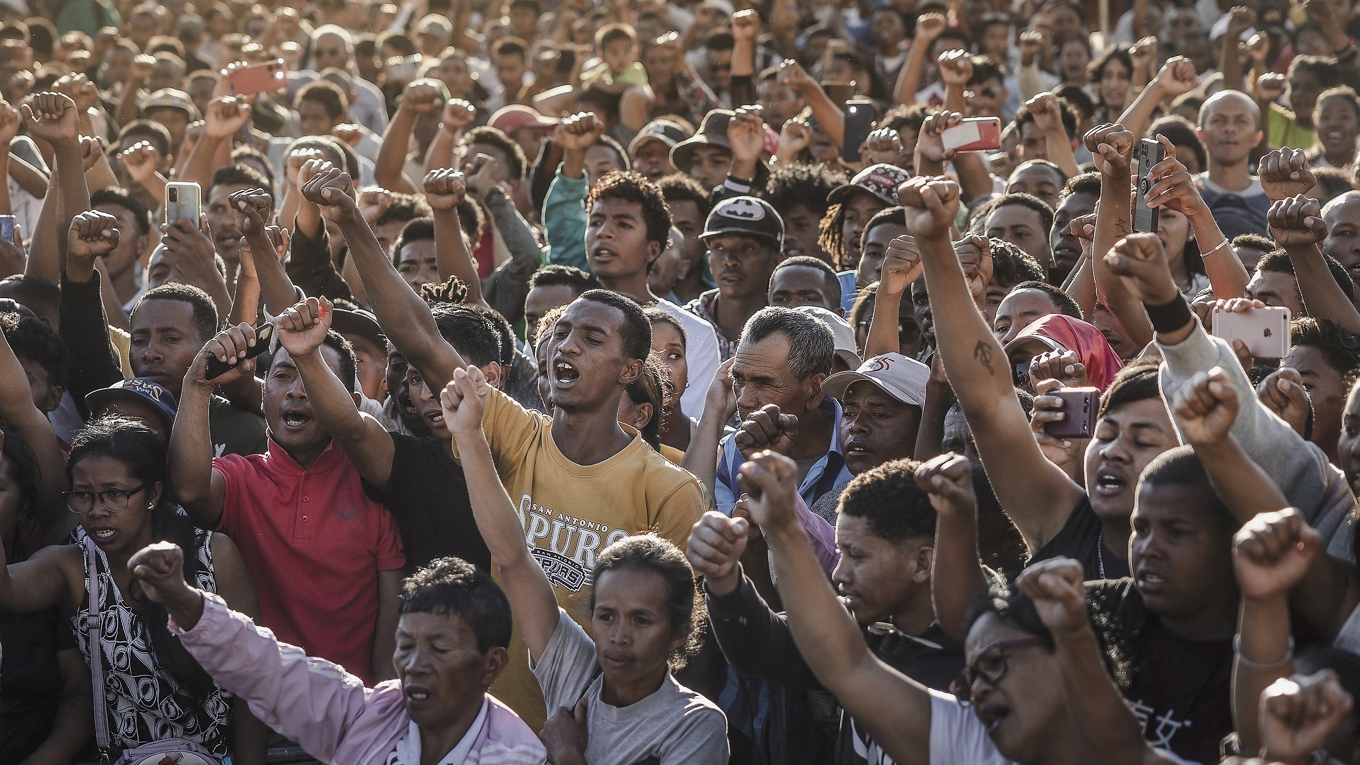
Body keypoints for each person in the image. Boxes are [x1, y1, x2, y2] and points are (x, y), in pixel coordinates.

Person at [299, 161, 706, 728]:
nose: (567, 347)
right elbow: (420, 337)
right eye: (561, 333)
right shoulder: (515, 434)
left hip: (607, 736)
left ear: (630, 369)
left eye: (592, 339)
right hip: (495, 728)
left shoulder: (669, 488)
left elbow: (684, 646)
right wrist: (350, 222)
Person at [439, 364, 728, 764]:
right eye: (606, 616)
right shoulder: (576, 672)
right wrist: (470, 436)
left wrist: (570, 754)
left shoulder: (694, 724)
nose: (619, 636)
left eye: (641, 620)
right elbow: (513, 558)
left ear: (679, 632)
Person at [0, 415, 267, 763]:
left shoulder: (213, 556)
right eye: (83, 496)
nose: (97, 511)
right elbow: (5, 589)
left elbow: (254, 680)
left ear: (153, 493)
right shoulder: (72, 565)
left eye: (114, 494)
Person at [128, 547, 547, 765]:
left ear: (491, 665)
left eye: (439, 650)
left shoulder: (516, 756)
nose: (416, 665)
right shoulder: (372, 714)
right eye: (405, 646)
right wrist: (183, 601)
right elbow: (270, 669)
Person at [170, 319, 406, 685]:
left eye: (313, 378)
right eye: (282, 376)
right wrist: (197, 384)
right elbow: (191, 490)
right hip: (260, 714)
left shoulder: (373, 485)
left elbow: (389, 643)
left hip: (352, 719)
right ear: (263, 396)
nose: (297, 391)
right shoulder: (241, 478)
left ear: (351, 403)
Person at [690, 456, 962, 765]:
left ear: (922, 563)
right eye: (840, 552)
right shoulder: (867, 630)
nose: (839, 574)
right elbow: (763, 648)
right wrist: (724, 578)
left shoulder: (977, 667)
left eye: (857, 556)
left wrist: (784, 529)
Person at [714, 306, 852, 514]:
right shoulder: (735, 448)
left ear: (814, 390)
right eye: (738, 379)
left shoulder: (860, 451)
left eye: (763, 382)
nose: (743, 400)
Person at [685, 196, 786, 360]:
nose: (730, 261)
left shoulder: (790, 327)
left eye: (746, 248)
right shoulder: (683, 324)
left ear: (776, 260)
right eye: (719, 247)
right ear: (709, 258)